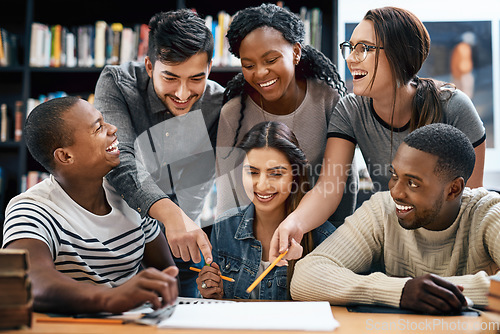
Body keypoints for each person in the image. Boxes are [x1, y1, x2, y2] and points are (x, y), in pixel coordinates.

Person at [272, 6, 486, 265]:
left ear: (400, 53)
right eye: (350, 48)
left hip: (448, 245)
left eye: (364, 48)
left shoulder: (454, 106)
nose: (351, 59)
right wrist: (295, 223)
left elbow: (471, 201)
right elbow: (329, 188)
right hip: (394, 240)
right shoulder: (350, 109)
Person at [291, 123, 500, 314]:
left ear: (453, 189)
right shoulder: (381, 210)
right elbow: (305, 277)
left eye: (413, 183)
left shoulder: (489, 212)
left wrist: (435, 291)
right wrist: (401, 290)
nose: (396, 192)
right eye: (394, 175)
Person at [2, 97, 178, 314]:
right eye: (98, 128)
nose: (113, 129)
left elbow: (168, 274)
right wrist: (111, 299)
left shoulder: (129, 193)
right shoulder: (31, 209)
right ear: (65, 156)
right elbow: (28, 280)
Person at [93, 9, 224, 297]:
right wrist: (170, 215)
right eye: (171, 77)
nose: (182, 93)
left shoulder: (218, 104)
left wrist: (178, 223)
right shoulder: (117, 82)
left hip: (180, 244)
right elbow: (118, 158)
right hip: (114, 242)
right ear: (150, 66)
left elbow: (200, 184)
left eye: (195, 79)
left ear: (210, 68)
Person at [216, 3, 358, 231]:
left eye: (270, 60)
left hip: (321, 232)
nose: (260, 73)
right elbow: (227, 199)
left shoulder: (326, 100)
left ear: (296, 52)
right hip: (254, 239)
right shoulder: (233, 113)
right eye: (248, 65)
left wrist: (336, 242)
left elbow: (344, 184)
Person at [198, 122, 335, 300]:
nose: (262, 185)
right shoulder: (224, 227)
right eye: (252, 172)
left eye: (276, 174)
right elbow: (216, 305)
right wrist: (210, 291)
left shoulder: (324, 237)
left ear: (295, 175)